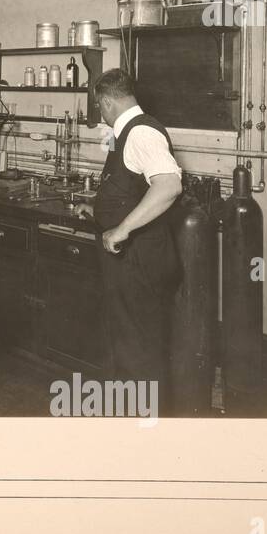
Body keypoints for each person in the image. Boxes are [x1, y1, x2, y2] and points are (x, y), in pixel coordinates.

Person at [76, 69, 182, 388]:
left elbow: (168, 187)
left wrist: (121, 230)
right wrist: (98, 212)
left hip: (139, 261)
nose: (100, 112)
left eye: (98, 105)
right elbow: (130, 190)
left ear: (106, 102)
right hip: (127, 261)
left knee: (140, 350)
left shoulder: (140, 133)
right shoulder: (128, 133)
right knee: (128, 342)